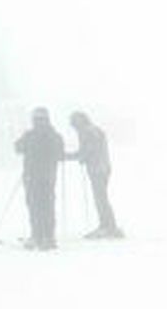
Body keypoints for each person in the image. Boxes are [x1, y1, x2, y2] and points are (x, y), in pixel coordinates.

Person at [13, 107, 65, 250]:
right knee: (48, 206)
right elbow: (60, 154)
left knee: (34, 207)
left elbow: (17, 148)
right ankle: (49, 237)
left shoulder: (30, 135)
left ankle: (37, 236)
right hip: (48, 177)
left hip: (32, 176)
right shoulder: (55, 135)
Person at [65, 111, 123, 239]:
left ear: (79, 122)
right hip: (102, 167)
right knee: (101, 197)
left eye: (74, 124)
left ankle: (108, 227)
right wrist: (78, 156)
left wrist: (78, 157)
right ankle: (107, 225)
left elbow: (89, 150)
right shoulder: (92, 130)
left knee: (100, 198)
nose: (74, 127)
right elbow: (88, 150)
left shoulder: (88, 131)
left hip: (98, 168)